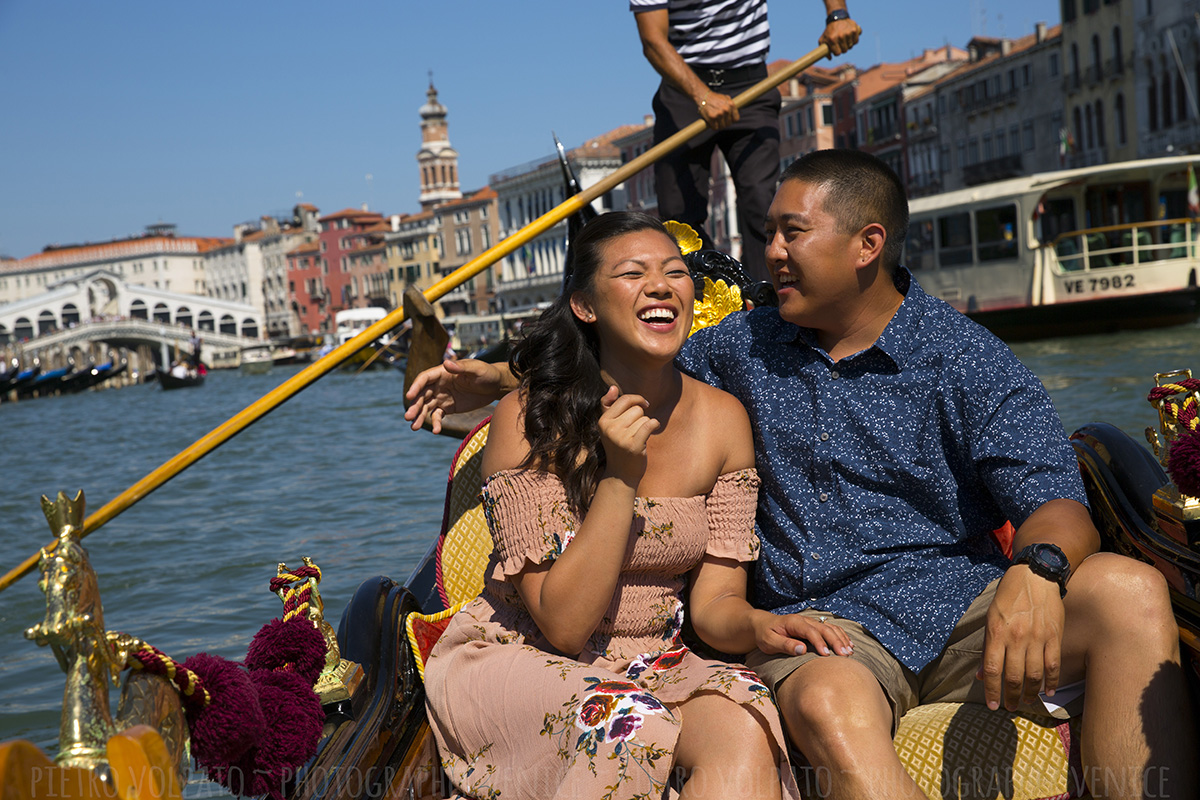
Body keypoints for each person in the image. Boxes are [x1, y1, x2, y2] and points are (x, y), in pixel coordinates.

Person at [406, 152, 1197, 799]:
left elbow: (1057, 500)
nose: (768, 255)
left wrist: (1040, 565)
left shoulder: (964, 357)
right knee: (825, 699)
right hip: (825, 631)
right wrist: (501, 378)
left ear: (867, 245)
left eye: (790, 234)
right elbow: (615, 362)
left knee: (1129, 589)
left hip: (959, 608)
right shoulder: (740, 348)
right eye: (768, 234)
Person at [422, 212, 825, 800]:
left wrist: (762, 626)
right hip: (520, 657)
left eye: (676, 272)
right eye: (633, 273)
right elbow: (561, 626)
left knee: (746, 719)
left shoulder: (722, 419)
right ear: (585, 306)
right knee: (630, 721)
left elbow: (715, 602)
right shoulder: (527, 418)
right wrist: (620, 478)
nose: (661, 286)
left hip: (654, 660)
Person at [632, 0, 860, 283]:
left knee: (763, 204)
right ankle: (706, 302)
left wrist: (837, 15)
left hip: (751, 83)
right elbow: (653, 40)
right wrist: (702, 97)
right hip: (682, 87)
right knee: (679, 219)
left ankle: (770, 301)